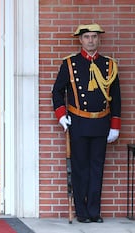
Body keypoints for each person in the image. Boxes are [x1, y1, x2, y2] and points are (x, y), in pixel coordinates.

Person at [52, 23, 121, 223]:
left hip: (101, 123)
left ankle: (94, 212)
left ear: (98, 39)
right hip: (79, 123)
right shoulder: (70, 64)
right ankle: (81, 212)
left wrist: (115, 125)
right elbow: (57, 91)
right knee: (80, 168)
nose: (91, 40)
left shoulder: (109, 65)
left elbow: (116, 97)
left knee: (96, 169)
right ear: (80, 40)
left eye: (94, 37)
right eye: (87, 37)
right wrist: (62, 115)